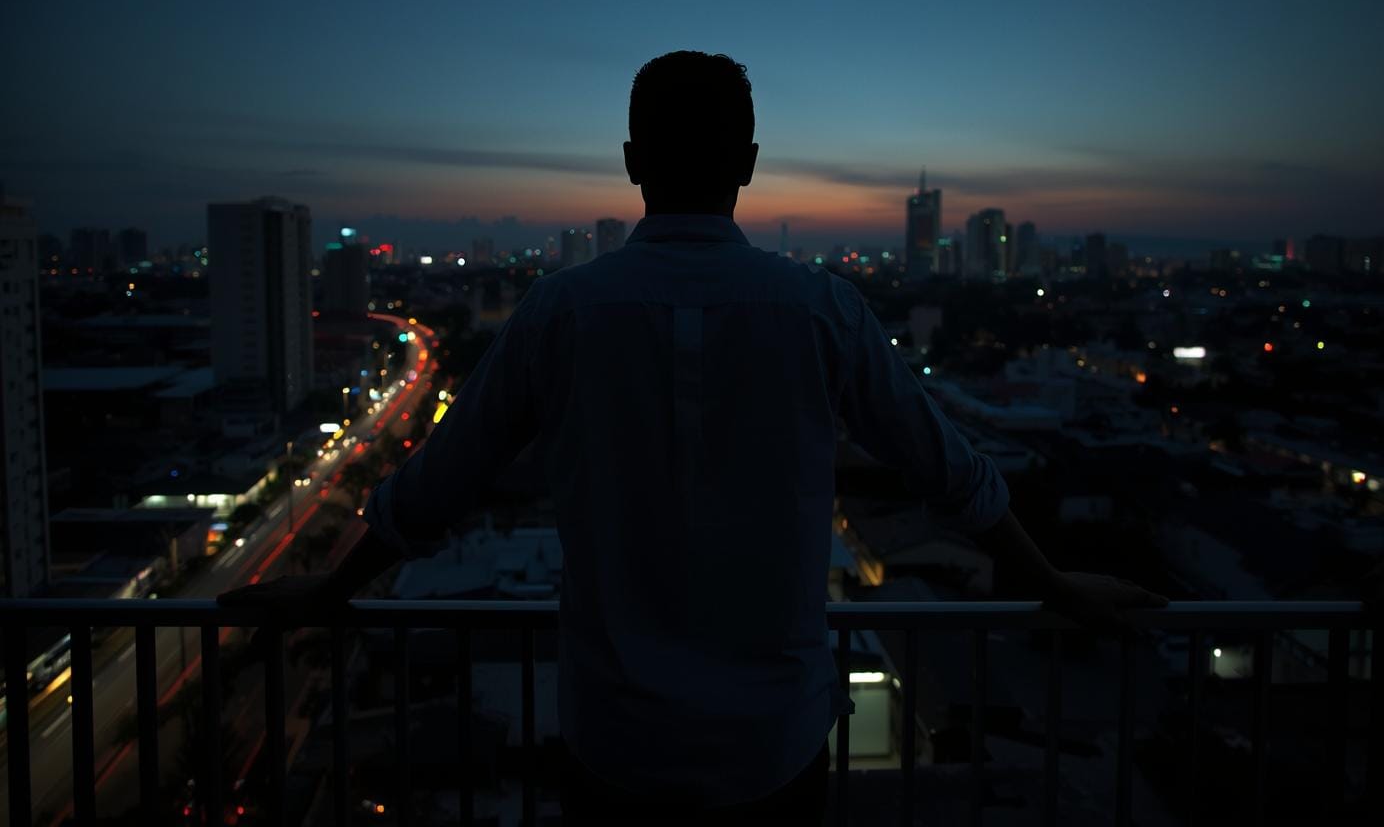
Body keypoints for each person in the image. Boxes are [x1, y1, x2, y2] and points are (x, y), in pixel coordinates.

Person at [220, 50, 1167, 824]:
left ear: (632, 162)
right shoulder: (818, 311)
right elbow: (951, 471)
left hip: (616, 743)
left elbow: (436, 487)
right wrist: (1049, 586)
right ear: (748, 164)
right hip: (772, 747)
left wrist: (329, 593)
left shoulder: (564, 312)